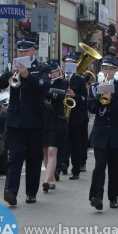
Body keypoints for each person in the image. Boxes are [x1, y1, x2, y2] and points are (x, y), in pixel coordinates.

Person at [0, 37, 51, 205]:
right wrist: (10, 73)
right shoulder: (12, 67)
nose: (22, 53)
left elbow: (44, 87)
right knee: (15, 156)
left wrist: (27, 76)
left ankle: (31, 193)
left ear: (33, 51)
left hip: (34, 121)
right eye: (20, 51)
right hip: (14, 121)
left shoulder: (42, 68)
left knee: (34, 158)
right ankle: (11, 192)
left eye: (26, 50)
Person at [88, 57, 118, 210]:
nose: (107, 71)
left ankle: (113, 197)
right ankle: (96, 197)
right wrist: (100, 98)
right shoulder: (94, 87)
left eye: (110, 69)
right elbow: (91, 108)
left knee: (115, 167)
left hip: (115, 133)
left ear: (116, 70)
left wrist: (110, 99)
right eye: (105, 68)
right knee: (99, 166)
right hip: (100, 133)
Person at [57, 53, 88, 180]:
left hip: (75, 115)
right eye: (67, 63)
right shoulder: (59, 79)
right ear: (64, 65)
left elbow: (84, 99)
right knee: (60, 142)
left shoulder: (80, 80)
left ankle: (76, 170)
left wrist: (75, 95)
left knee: (75, 143)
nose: (69, 65)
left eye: (72, 63)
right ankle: (61, 166)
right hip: (61, 115)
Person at [42, 60, 68, 192]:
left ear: (59, 71)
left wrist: (46, 91)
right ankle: (51, 178)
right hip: (43, 119)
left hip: (56, 118)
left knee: (52, 151)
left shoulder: (63, 82)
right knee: (45, 151)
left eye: (54, 71)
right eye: (50, 72)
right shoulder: (43, 80)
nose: (52, 74)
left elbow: (60, 95)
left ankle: (46, 180)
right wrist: (50, 91)